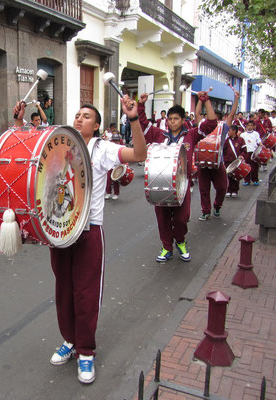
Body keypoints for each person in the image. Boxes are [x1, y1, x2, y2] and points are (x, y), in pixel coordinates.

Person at [15, 97, 147, 384]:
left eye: (86, 116)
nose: (79, 118)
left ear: (96, 125)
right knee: (63, 290)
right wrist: (18, 123)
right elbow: (28, 155)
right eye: (77, 114)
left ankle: (86, 351)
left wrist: (134, 119)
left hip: (89, 230)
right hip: (60, 232)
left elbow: (138, 153)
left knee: (85, 293)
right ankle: (70, 340)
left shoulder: (102, 149)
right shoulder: (60, 145)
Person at [137, 91, 218, 263]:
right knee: (163, 218)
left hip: (182, 185)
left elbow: (211, 123)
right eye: (170, 119)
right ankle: (167, 247)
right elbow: (142, 123)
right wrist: (141, 104)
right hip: (159, 184)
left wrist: (206, 101)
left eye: (176, 119)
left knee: (182, 218)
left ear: (182, 120)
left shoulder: (191, 135)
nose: (172, 122)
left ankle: (180, 241)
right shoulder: (159, 135)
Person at [196, 89, 238, 221]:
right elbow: (197, 114)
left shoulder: (223, 127)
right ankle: (206, 211)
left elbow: (232, 114)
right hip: (203, 163)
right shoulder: (202, 125)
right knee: (204, 189)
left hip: (217, 162)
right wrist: (200, 99)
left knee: (222, 187)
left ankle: (217, 206)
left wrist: (236, 98)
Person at [222, 125, 247, 198]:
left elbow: (244, 150)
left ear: (234, 131)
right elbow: (223, 150)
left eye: (229, 130)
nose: (228, 132)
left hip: (236, 161)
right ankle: (228, 190)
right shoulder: (226, 140)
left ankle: (235, 190)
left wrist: (242, 155)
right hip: (228, 161)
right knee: (228, 176)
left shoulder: (240, 140)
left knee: (235, 176)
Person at [104, 126, 124, 200]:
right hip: (110, 165)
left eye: (117, 141)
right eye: (114, 141)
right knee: (108, 179)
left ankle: (116, 193)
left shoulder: (121, 147)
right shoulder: (109, 146)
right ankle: (108, 193)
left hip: (117, 166)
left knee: (116, 180)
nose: (115, 142)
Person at [241, 120, 262, 186]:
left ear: (253, 126)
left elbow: (258, 140)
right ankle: (247, 180)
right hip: (246, 152)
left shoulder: (256, 134)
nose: (250, 127)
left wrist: (260, 144)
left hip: (254, 152)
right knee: (246, 167)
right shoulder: (243, 134)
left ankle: (255, 180)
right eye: (248, 125)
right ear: (246, 126)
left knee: (254, 167)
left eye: (251, 125)